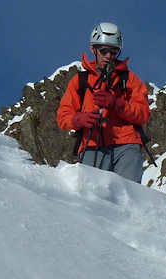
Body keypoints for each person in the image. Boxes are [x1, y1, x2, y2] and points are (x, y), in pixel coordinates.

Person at [56, 22, 151, 183]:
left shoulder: (129, 80)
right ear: (93, 49)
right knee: (91, 198)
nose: (109, 56)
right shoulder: (79, 82)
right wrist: (80, 119)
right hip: (92, 145)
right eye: (104, 50)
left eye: (114, 51)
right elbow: (63, 118)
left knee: (128, 197)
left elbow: (143, 114)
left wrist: (116, 104)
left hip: (127, 145)